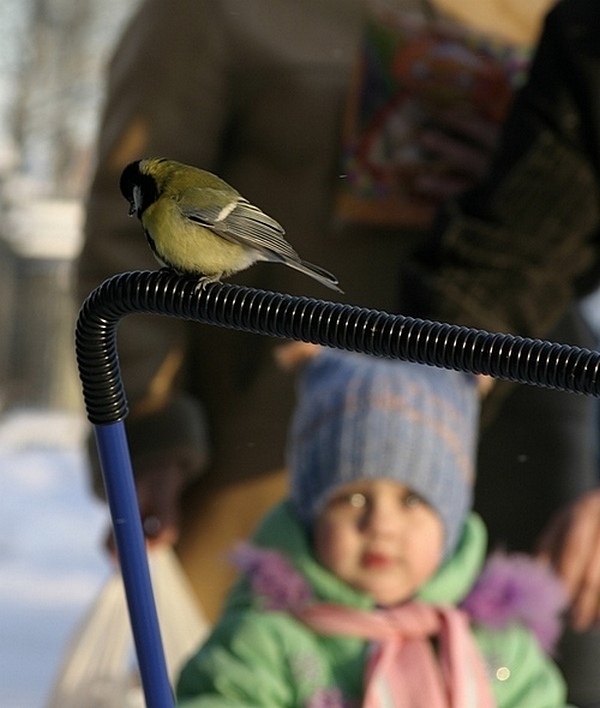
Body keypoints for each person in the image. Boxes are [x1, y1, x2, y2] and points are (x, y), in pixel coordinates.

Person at [77, 0, 557, 626]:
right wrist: (149, 423)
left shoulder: (541, 15)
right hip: (272, 440)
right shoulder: (206, 13)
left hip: (500, 444)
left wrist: (525, 171)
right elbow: (128, 237)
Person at [176, 351, 568, 707]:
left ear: (450, 522)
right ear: (313, 513)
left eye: (411, 501)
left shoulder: (498, 645)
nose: (381, 525)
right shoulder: (265, 642)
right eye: (354, 499)